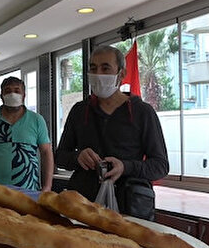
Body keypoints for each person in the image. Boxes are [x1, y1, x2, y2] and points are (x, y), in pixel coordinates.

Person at [55, 45, 169, 204]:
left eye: (105, 68)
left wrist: (126, 167)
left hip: (128, 204)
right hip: (83, 204)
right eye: (93, 68)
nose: (98, 74)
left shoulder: (143, 112)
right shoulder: (79, 111)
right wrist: (77, 157)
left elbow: (160, 166)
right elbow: (60, 156)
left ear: (121, 74)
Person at [0, 77, 53, 192]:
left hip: (28, 189)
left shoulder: (36, 120)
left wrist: (47, 186)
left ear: (24, 95)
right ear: (1, 96)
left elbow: (46, 152)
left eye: (17, 90)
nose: (12, 94)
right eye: (8, 90)